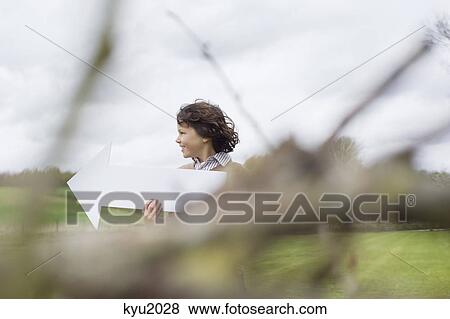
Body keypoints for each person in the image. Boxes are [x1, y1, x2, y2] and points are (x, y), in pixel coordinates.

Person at [143, 99, 245, 221]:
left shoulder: (238, 172)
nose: (177, 139)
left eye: (182, 133)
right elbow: (172, 225)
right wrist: (154, 219)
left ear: (205, 135)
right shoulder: (180, 173)